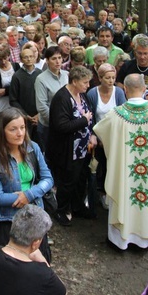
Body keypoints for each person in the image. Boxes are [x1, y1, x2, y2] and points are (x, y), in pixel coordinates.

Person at [93, 74, 148, 250]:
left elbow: (99, 131)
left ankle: (121, 239)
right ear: (145, 89)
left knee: (124, 194)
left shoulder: (115, 114)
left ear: (125, 90)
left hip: (125, 174)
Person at [0, 108, 54, 262]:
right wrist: (23, 197)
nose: (20, 133)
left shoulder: (33, 147)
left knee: (38, 266)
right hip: (5, 220)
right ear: (2, 131)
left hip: (34, 216)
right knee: (6, 267)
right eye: (13, 129)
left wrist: (28, 194)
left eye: (22, 128)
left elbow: (48, 179)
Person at [47, 66, 94, 226]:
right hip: (67, 150)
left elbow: (90, 116)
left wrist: (91, 134)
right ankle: (61, 210)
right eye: (85, 82)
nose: (88, 85)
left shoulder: (83, 95)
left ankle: (77, 206)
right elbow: (61, 126)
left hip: (82, 148)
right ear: (74, 81)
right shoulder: (62, 98)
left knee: (80, 179)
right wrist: (83, 120)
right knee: (67, 181)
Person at [87, 63, 127, 208]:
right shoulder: (92, 93)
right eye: (107, 78)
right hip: (98, 137)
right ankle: (96, 194)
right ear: (100, 78)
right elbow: (90, 118)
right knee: (96, 166)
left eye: (113, 78)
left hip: (115, 137)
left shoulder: (119, 93)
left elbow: (123, 115)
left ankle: (111, 194)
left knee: (113, 167)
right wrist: (94, 136)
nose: (111, 81)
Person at [34, 46, 69, 159]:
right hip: (48, 126)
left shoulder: (67, 75)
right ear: (47, 60)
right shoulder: (41, 79)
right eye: (54, 58)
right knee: (50, 158)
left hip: (66, 124)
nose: (58, 61)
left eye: (59, 57)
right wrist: (57, 122)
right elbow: (42, 106)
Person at [9, 44, 42, 139]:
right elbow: (13, 100)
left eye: (31, 56)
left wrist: (40, 114)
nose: (29, 59)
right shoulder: (17, 76)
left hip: (40, 116)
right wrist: (25, 115)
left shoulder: (40, 74)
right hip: (24, 117)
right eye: (26, 57)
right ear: (21, 59)